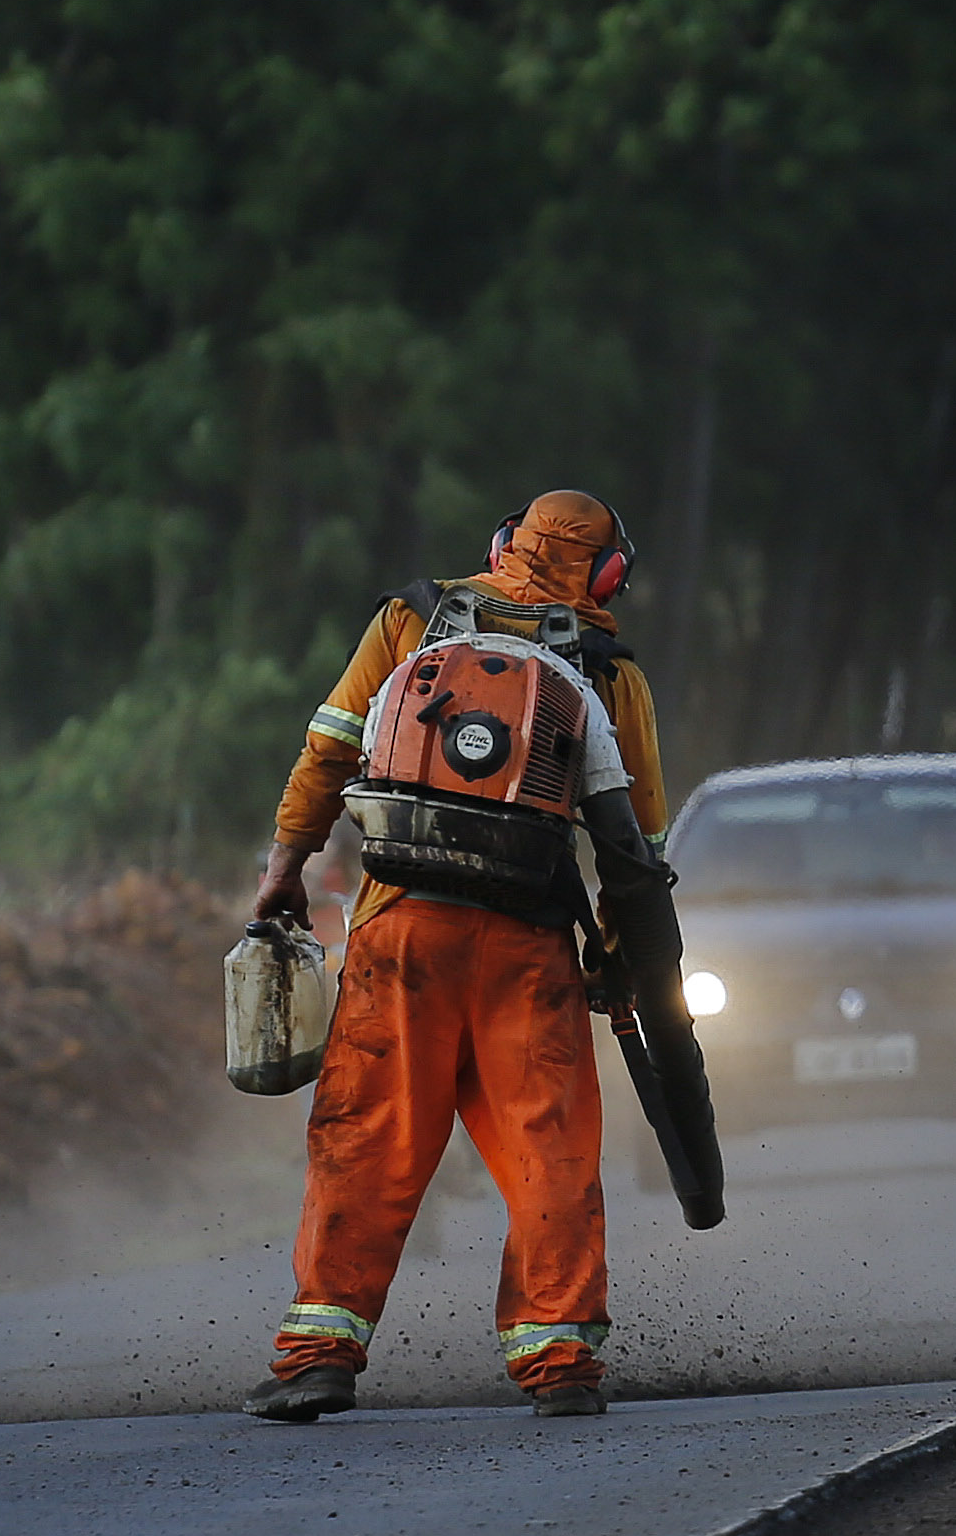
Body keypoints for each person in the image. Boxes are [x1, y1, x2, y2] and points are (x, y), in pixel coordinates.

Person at [240, 492, 678, 1418]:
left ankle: (320, 1353)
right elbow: (635, 846)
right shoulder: (607, 672)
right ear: (608, 577)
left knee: (365, 1141)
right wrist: (615, 962)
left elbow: (328, 750)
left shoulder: (411, 621)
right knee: (547, 1149)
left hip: (402, 929)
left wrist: (286, 868)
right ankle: (559, 1360)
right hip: (527, 944)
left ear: (502, 546)